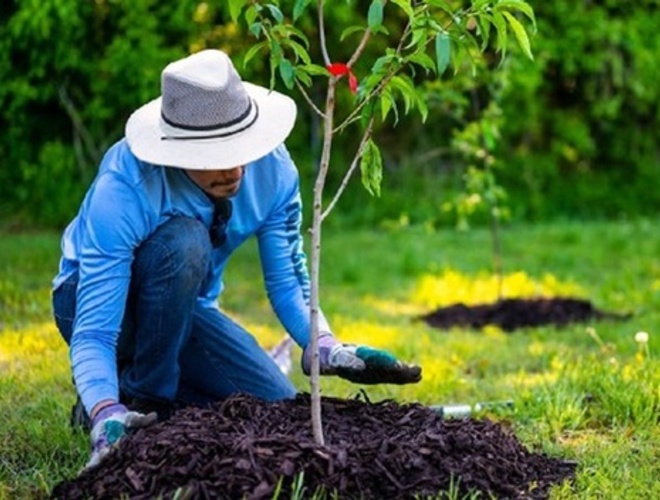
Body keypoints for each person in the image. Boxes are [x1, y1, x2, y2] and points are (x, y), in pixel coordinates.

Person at [51, 49, 421, 469]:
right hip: (91, 304)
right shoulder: (127, 186)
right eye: (211, 155)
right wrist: (105, 411)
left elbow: (287, 280)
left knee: (274, 405)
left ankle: (132, 392)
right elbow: (96, 331)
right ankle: (133, 401)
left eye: (238, 147)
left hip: (185, 311)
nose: (232, 170)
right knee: (185, 241)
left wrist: (324, 344)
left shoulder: (274, 171)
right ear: (177, 150)